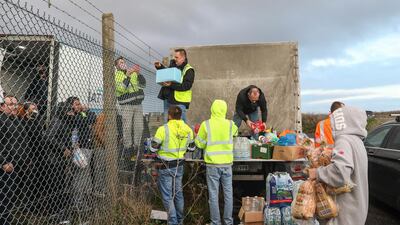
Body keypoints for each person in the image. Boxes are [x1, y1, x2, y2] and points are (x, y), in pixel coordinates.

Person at [308, 106, 368, 225]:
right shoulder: (356, 141)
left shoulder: (344, 140)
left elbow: (340, 173)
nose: (332, 125)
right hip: (357, 210)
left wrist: (317, 173)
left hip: (345, 215)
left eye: (334, 121)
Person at [195, 100, 238, 225]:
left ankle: (215, 222)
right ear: (224, 110)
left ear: (212, 109)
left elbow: (199, 143)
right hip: (227, 165)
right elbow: (235, 133)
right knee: (228, 195)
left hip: (213, 165)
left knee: (213, 196)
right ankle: (228, 222)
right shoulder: (230, 124)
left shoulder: (206, 125)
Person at [150, 105, 195, 225]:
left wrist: (152, 145)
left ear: (169, 116)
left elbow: (153, 148)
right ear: (180, 116)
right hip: (179, 165)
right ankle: (180, 221)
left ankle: (173, 222)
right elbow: (192, 148)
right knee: (178, 194)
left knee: (167, 196)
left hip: (166, 166)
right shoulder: (188, 129)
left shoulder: (163, 129)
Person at [0, 95, 29, 225]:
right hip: (6, 166)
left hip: (17, 164)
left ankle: (6, 218)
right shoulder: (1, 120)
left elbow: (22, 141)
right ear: (2, 107)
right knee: (4, 197)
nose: (14, 107)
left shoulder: (15, 119)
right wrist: (3, 162)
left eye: (16, 104)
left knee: (10, 196)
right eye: (10, 104)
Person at [115, 56, 146, 167]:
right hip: (127, 105)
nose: (123, 64)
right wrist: (127, 76)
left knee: (139, 127)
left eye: (124, 62)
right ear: (117, 66)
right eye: (120, 62)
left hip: (138, 104)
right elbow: (121, 89)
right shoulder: (116, 75)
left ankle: (136, 148)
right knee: (127, 127)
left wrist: (139, 74)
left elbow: (143, 85)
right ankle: (128, 148)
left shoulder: (133, 74)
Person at [155, 49, 195, 123]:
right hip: (167, 100)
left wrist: (171, 84)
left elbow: (187, 85)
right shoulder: (173, 65)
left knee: (180, 125)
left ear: (183, 58)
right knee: (167, 125)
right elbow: (168, 74)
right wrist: (160, 67)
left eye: (176, 57)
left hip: (179, 102)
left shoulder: (188, 70)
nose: (174, 59)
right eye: (174, 57)